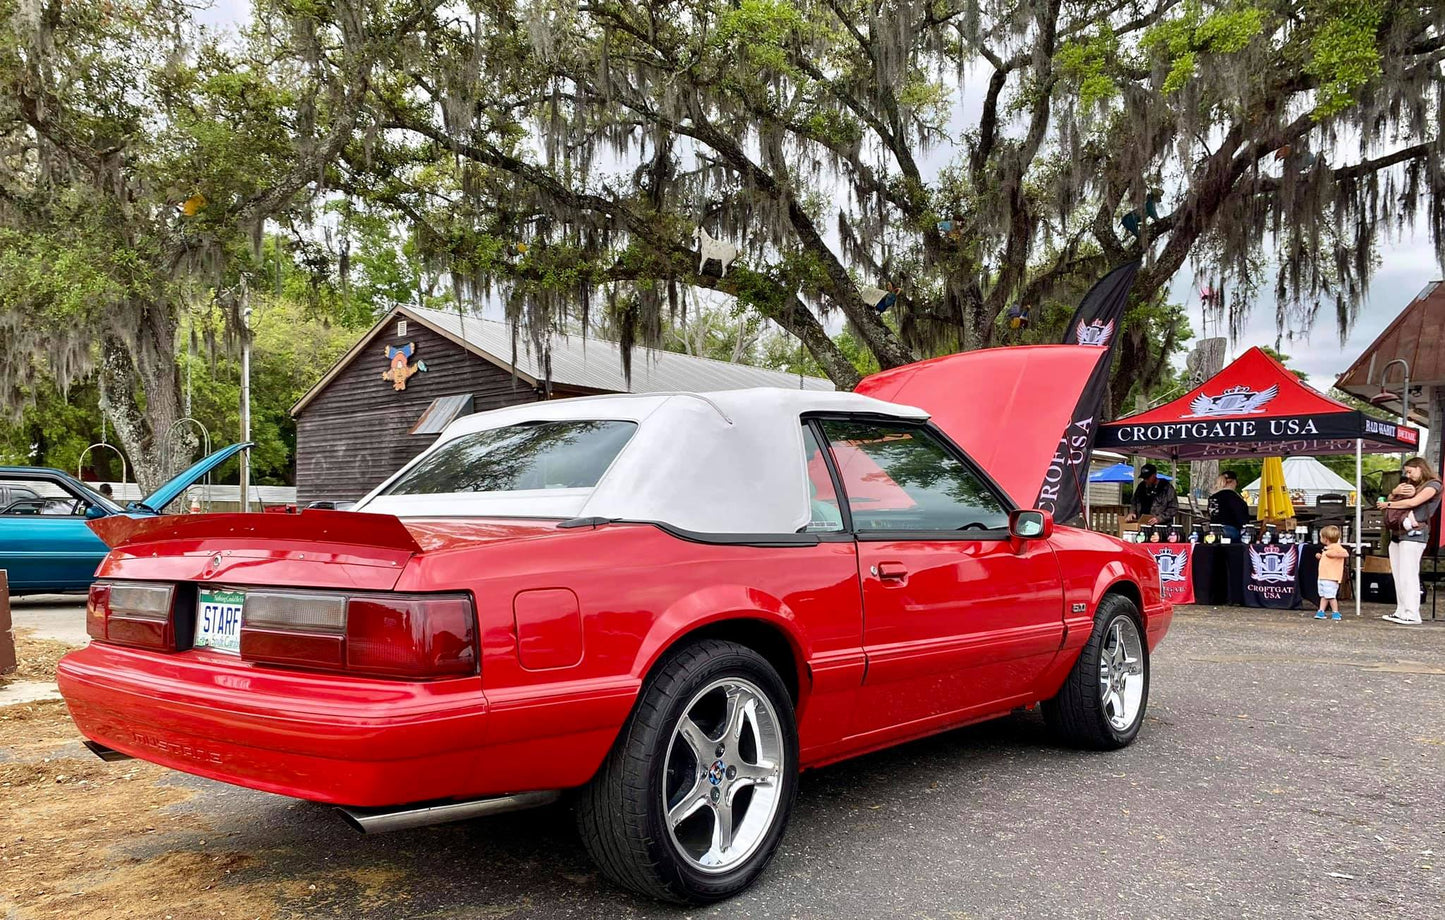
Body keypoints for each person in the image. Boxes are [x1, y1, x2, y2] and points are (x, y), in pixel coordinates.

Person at [1377, 457, 1442, 626]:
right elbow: (1397, 498)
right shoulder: (1410, 484)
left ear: (1420, 468)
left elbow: (1414, 502)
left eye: (1410, 471)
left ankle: (1413, 613)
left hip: (1415, 533)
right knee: (1398, 574)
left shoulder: (1433, 485)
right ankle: (1401, 610)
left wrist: (1388, 504)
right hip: (1399, 531)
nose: (1408, 475)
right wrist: (1395, 492)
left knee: (1409, 574)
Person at [1314, 525, 1349, 622]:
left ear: (1326, 539)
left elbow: (1345, 553)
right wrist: (1321, 556)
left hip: (1331, 576)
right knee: (1324, 595)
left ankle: (1335, 612)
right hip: (1323, 576)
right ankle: (1321, 611)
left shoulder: (1336, 547)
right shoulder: (1327, 548)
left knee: (1330, 596)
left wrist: (1333, 554)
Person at [1207, 470, 1249, 541]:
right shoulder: (1235, 498)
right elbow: (1243, 519)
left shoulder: (1212, 498)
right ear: (1234, 482)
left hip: (1213, 531)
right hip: (1230, 531)